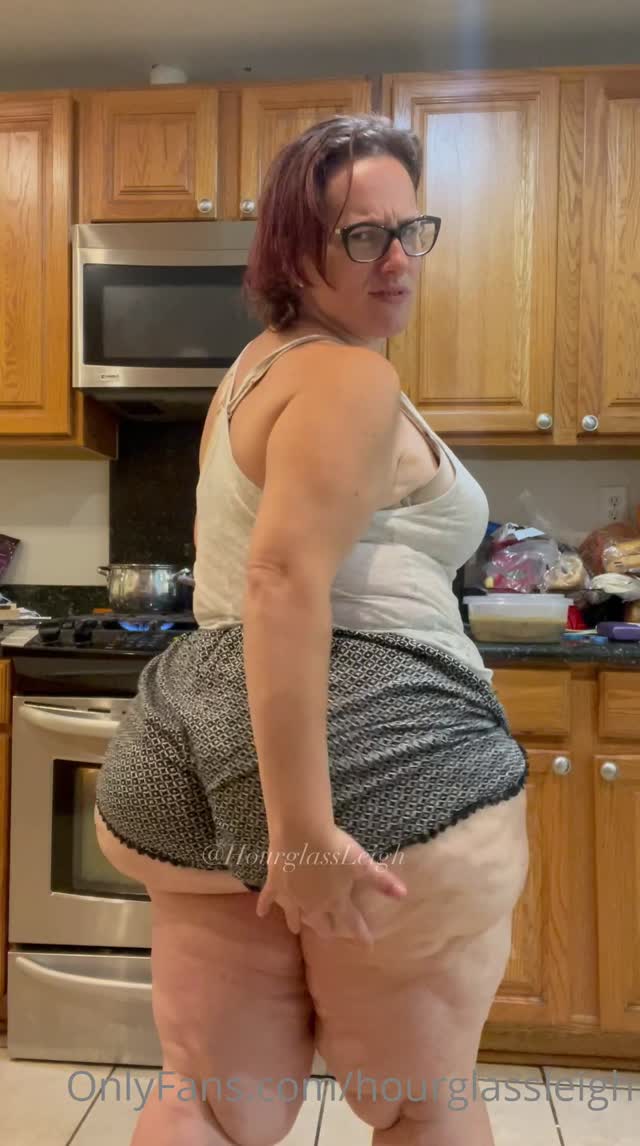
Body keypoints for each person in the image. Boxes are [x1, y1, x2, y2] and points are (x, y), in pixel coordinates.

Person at [95, 114, 529, 1146]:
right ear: (293, 251)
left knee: (209, 1098)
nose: (396, 261)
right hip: (378, 748)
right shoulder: (349, 376)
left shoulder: (256, 369)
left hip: (192, 728)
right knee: (420, 1101)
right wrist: (297, 832)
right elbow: (283, 578)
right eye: (360, 237)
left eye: (410, 230)